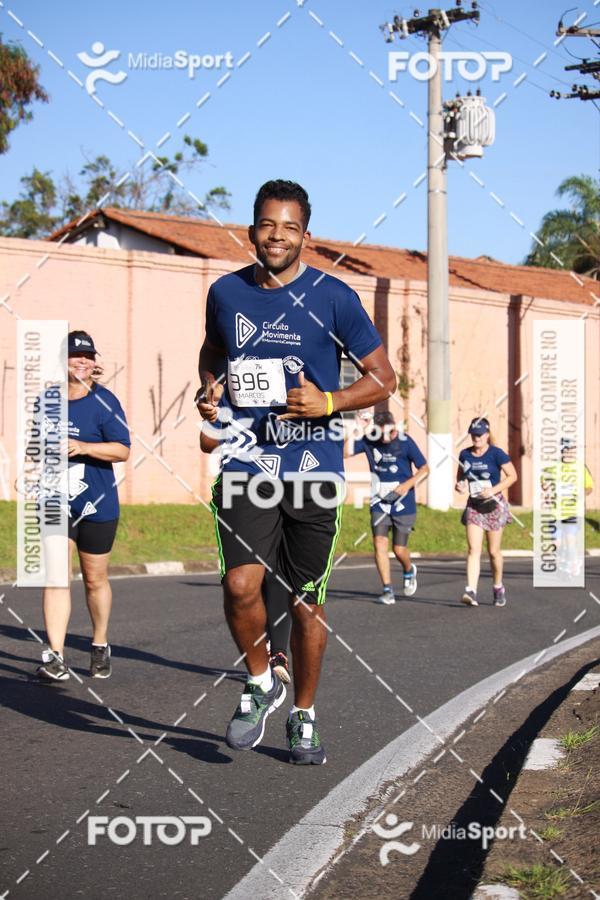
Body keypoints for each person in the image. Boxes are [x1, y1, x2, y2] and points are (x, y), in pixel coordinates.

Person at [196, 179, 395, 764]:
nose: (276, 236)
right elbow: (212, 352)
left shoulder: (334, 298)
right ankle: (260, 681)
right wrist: (210, 389)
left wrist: (329, 402)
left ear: (306, 235)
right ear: (252, 230)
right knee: (240, 585)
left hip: (313, 469)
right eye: (267, 225)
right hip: (246, 460)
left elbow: (384, 378)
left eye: (289, 227)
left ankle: (303, 714)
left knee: (307, 603)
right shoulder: (225, 294)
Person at [36, 331, 130, 681]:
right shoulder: (46, 401)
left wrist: (84, 446)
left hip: (97, 504)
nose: (83, 361)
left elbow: (122, 449)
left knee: (94, 579)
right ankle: (56, 656)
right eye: (76, 355)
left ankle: (99, 644)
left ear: (94, 363)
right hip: (55, 500)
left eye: (89, 356)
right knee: (56, 576)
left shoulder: (105, 402)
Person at [200, 424, 292, 682]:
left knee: (277, 572)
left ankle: (278, 653)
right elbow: (207, 442)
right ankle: (261, 667)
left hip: (291, 482)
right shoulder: (232, 400)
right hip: (243, 483)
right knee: (242, 582)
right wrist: (212, 410)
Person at [345, 410, 429, 604]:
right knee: (379, 542)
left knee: (399, 549)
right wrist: (355, 428)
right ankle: (387, 589)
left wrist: (407, 485)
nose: (385, 438)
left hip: (402, 502)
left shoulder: (405, 442)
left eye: (389, 432)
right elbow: (344, 453)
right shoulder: (369, 440)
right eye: (381, 433)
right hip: (379, 501)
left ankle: (409, 569)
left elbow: (425, 468)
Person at [455, 417, 517, 608]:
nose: (477, 438)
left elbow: (513, 476)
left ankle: (498, 586)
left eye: (480, 435)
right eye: (473, 435)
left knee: (493, 552)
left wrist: (493, 490)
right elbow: (460, 477)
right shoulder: (465, 454)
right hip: (474, 506)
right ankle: (471, 591)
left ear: (487, 434)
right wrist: (460, 485)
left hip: (494, 506)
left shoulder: (497, 454)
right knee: (473, 549)